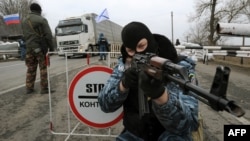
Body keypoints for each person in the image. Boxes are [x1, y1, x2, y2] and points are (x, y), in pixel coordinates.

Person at [98, 22, 199, 141]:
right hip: (134, 134)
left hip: (172, 135)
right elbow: (105, 104)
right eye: (131, 50)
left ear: (151, 42)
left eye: (142, 46)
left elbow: (188, 124)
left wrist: (161, 95)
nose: (137, 53)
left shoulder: (179, 67)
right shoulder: (125, 64)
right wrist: (123, 84)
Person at [22, 3, 54, 94]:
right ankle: (44, 88)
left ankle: (29, 88)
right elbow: (48, 35)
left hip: (29, 48)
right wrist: (51, 48)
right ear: (39, 10)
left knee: (31, 68)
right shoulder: (41, 20)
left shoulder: (24, 20)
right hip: (40, 48)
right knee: (43, 68)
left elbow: (25, 35)